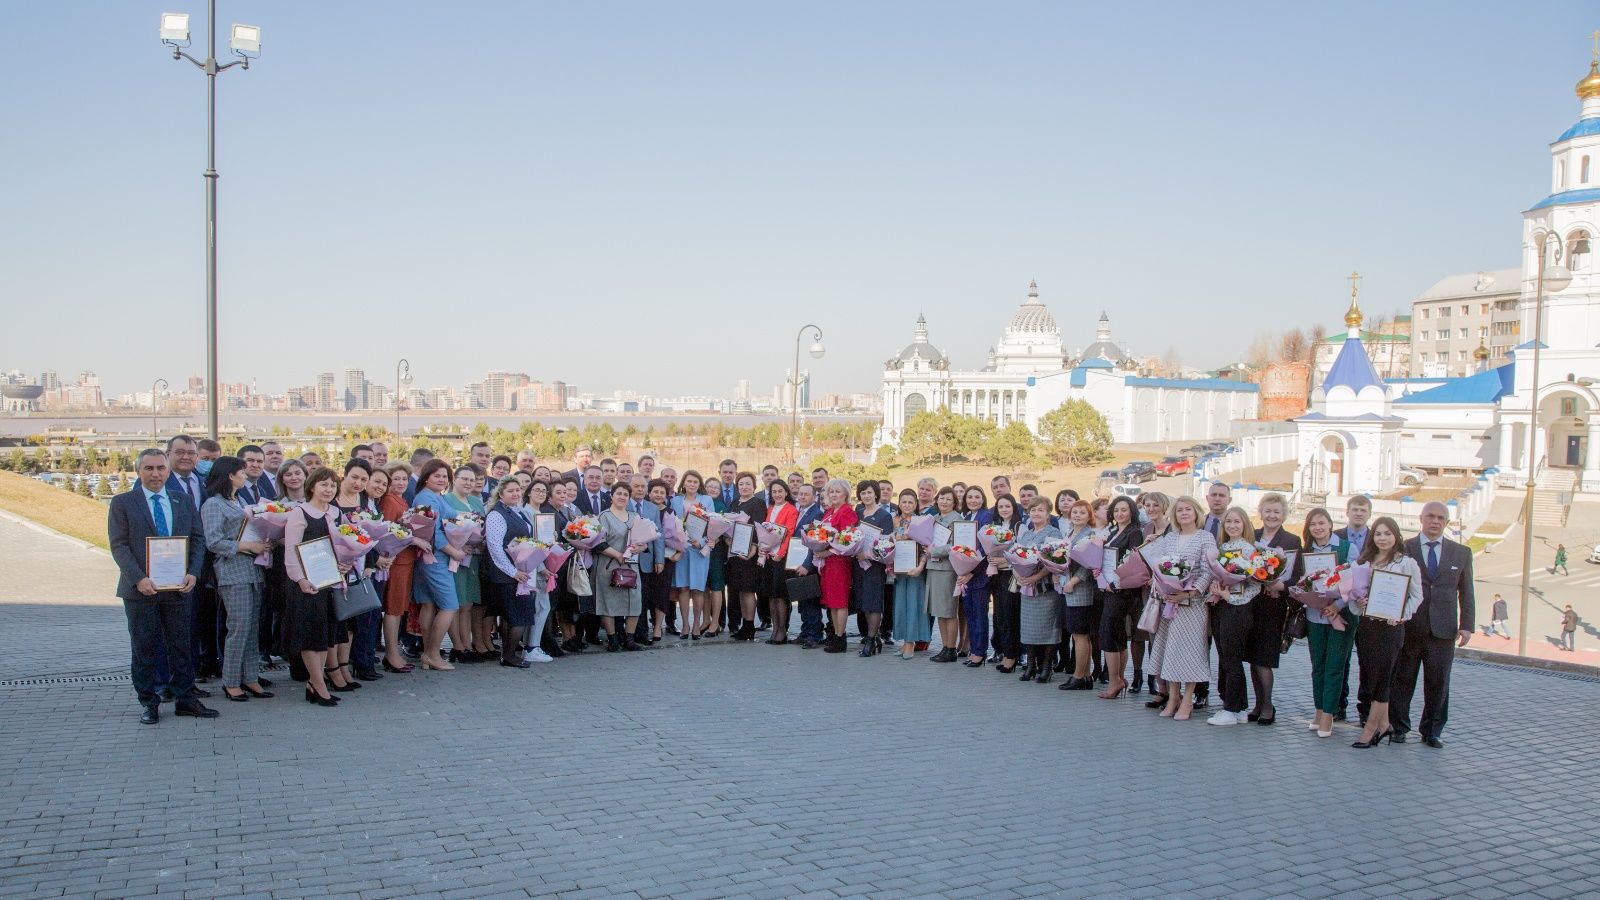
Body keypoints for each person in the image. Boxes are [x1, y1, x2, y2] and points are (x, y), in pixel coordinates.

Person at [108, 448, 215, 725]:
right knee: (144, 647)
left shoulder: (181, 500)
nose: (155, 474)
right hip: (141, 589)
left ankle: (186, 699)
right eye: (149, 468)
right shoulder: (123, 503)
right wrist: (138, 578)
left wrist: (192, 572)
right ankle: (149, 701)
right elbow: (119, 545)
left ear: (167, 471)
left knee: (181, 645)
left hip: (178, 587)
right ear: (138, 471)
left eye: (160, 468)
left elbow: (197, 539)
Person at [1390, 501, 1474, 749]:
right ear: (1421, 519)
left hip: (1443, 630)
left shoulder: (1461, 553)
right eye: (1430, 516)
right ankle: (1399, 727)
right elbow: (1394, 584)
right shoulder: (1404, 548)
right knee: (1403, 679)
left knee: (1438, 683)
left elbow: (1466, 592)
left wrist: (1467, 624)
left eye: (1440, 518)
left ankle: (1432, 730)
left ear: (1447, 522)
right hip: (1409, 627)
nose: (1435, 521)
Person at [199, 457, 273, 703]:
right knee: (239, 627)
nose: (245, 474)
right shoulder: (213, 504)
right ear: (230, 475)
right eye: (241, 471)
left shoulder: (240, 500)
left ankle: (250, 677)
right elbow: (214, 541)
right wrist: (247, 545)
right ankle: (230, 681)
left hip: (253, 570)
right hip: (232, 572)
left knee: (252, 628)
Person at [1349, 517, 1424, 749]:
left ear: (1396, 536)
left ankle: (1370, 729)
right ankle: (1385, 725)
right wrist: (1358, 603)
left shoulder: (1406, 563)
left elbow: (1417, 596)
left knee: (1383, 679)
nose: (1383, 538)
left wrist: (1403, 615)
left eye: (1387, 533)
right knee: (1370, 678)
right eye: (1378, 534)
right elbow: (1353, 595)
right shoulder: (1364, 561)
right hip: (1367, 627)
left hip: (1390, 628)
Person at [283, 467, 350, 707]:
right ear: (312, 486)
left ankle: (315, 683)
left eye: (332, 485)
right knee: (311, 635)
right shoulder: (299, 513)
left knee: (325, 635)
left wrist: (345, 565)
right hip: (307, 584)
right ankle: (318, 683)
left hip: (329, 582)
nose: (328, 489)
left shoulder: (336, 512)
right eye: (324, 484)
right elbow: (291, 551)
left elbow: (343, 545)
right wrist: (300, 579)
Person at [1295, 507, 1354, 737]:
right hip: (1314, 616)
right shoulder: (1307, 551)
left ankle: (1330, 714)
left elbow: (1356, 583)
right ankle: (1319, 710)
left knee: (1334, 666)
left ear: (1330, 524)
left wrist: (1336, 605)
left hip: (1340, 615)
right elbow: (1303, 582)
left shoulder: (1347, 547)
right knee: (1318, 666)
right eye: (1313, 524)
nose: (1318, 528)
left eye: (1322, 523)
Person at [1246, 492, 1301, 726]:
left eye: (1277, 511)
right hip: (1250, 603)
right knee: (1251, 656)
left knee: (1264, 657)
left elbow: (1298, 576)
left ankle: (1268, 705)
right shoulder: (1252, 536)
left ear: (1284, 515)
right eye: (1267, 511)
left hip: (1273, 605)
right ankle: (1258, 703)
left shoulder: (1292, 540)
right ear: (1260, 513)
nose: (1271, 515)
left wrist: (1281, 586)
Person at [1206, 506, 1260, 725]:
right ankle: (1239, 707)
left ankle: (1231, 709)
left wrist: (1231, 598)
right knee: (1226, 657)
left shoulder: (1250, 551)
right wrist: (1215, 589)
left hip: (1238, 609)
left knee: (1232, 659)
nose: (1232, 525)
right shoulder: (1223, 548)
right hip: (1222, 607)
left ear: (1245, 524)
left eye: (1237, 521)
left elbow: (1256, 585)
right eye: (1228, 522)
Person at [484, 478, 545, 667]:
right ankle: (509, 655)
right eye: (510, 491)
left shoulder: (517, 511)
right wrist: (513, 572)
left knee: (516, 616)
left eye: (518, 490)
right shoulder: (496, 514)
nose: (516, 494)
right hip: (507, 574)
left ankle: (508, 654)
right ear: (500, 494)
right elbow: (495, 547)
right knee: (517, 616)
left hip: (521, 571)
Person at [410, 459, 463, 671]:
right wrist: (454, 551)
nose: (441, 480)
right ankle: (432, 653)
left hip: (430, 558)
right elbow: (431, 532)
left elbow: (452, 516)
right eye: (437, 475)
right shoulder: (424, 498)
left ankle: (427, 653)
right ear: (426, 476)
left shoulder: (435, 497)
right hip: (435, 559)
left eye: (444, 476)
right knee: (450, 606)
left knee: (429, 604)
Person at [1094, 495, 1143, 700]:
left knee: (1108, 633)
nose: (1120, 514)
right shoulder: (1114, 530)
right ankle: (1119, 679)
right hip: (1108, 587)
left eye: (1124, 510)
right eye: (1116, 510)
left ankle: (1115, 680)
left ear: (1131, 511)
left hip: (1122, 590)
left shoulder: (1135, 533)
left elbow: (1134, 561)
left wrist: (1116, 581)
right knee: (1117, 634)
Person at [1014, 498, 1064, 684]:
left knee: (1048, 628)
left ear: (1048, 513)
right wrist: (1017, 573)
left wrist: (1036, 577)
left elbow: (1054, 559)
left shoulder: (1054, 533)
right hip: (1027, 586)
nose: (1036, 513)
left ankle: (1047, 667)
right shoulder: (1026, 534)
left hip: (1045, 587)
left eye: (1040, 510)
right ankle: (1031, 665)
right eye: (1033, 510)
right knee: (1029, 628)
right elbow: (1015, 555)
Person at [441, 465, 487, 662]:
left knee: (468, 603)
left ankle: (467, 644)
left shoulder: (476, 501)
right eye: (464, 479)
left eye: (472, 479)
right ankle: (457, 646)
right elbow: (443, 528)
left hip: (474, 557)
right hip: (455, 557)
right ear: (455, 480)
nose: (469, 483)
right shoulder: (446, 501)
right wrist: (458, 545)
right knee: (457, 603)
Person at [594, 483, 645, 651]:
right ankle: (612, 639)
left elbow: (643, 541)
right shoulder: (604, 516)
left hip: (631, 566)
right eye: (619, 494)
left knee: (634, 600)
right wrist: (617, 555)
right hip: (609, 565)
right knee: (608, 601)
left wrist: (641, 547)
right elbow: (598, 543)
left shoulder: (634, 516)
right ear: (612, 496)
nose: (622, 497)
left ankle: (629, 639)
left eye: (625, 494)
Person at [377, 462, 416, 673]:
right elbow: (388, 532)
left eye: (404, 479)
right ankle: (391, 654)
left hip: (405, 560)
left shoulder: (401, 500)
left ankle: (394, 652)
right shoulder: (390, 501)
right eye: (396, 479)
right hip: (397, 561)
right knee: (393, 608)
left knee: (399, 608)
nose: (401, 483)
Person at [814, 477, 860, 653]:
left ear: (846, 494)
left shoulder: (847, 512)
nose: (833, 495)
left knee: (839, 601)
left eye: (837, 491)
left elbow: (847, 539)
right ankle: (835, 633)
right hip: (827, 562)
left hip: (839, 562)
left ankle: (841, 637)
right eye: (831, 491)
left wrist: (827, 551)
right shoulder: (829, 512)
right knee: (831, 601)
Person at [1057, 500, 1099, 690]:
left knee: (1080, 635)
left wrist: (1074, 581)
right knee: (1077, 634)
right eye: (1075, 512)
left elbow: (1089, 564)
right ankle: (1086, 674)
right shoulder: (1070, 532)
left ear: (1089, 515)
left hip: (1080, 589)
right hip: (1068, 587)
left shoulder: (1090, 534)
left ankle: (1079, 675)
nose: (1077, 515)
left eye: (1082, 512)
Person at [851, 480, 894, 657]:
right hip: (858, 566)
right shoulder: (858, 513)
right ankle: (874, 637)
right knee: (863, 602)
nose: (866, 496)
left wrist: (867, 554)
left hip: (874, 566)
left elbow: (886, 544)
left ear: (876, 494)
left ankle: (870, 640)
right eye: (863, 493)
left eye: (869, 492)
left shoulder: (884, 515)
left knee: (873, 603)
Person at [670, 470, 713, 640]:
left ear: (699, 484)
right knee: (683, 587)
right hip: (682, 549)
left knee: (697, 588)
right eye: (689, 481)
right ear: (684, 483)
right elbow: (672, 525)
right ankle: (685, 624)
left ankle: (697, 623)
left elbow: (713, 524)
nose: (692, 484)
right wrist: (679, 543)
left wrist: (701, 542)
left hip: (699, 551)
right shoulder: (675, 501)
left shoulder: (706, 500)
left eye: (695, 481)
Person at [890, 489, 930, 659]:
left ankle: (911, 643)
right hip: (899, 571)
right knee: (901, 606)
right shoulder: (894, 521)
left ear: (916, 505)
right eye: (904, 502)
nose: (907, 505)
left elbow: (926, 547)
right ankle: (904, 641)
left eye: (910, 502)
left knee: (914, 606)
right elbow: (888, 545)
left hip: (915, 571)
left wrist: (921, 566)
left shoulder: (922, 522)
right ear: (899, 503)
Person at [924, 487, 963, 662]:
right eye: (941, 498)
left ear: (954, 502)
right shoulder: (934, 519)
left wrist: (935, 550)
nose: (944, 502)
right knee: (939, 610)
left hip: (947, 569)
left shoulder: (957, 520)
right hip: (934, 568)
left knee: (949, 611)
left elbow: (957, 545)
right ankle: (945, 647)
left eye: (948, 499)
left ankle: (951, 648)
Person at [956, 486, 992, 667]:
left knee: (979, 615)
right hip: (965, 574)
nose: (973, 500)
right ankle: (973, 649)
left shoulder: (986, 516)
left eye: (977, 497)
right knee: (970, 615)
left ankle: (980, 652)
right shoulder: (965, 518)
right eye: (969, 497)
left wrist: (971, 571)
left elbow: (986, 548)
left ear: (983, 498)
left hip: (979, 575)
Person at [986, 493, 1022, 672]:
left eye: (1007, 506)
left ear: (1014, 507)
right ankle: (1004, 652)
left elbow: (1024, 554)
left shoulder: (1019, 526)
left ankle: (1012, 656)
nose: (1004, 509)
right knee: (999, 616)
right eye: (1001, 507)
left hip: (1011, 575)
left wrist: (1005, 562)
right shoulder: (995, 527)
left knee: (1010, 616)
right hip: (996, 575)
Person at [761, 479, 799, 644]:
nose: (777, 494)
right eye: (774, 492)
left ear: (786, 492)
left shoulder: (790, 510)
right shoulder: (770, 508)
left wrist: (781, 553)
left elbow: (789, 533)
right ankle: (775, 629)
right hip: (769, 556)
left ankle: (782, 631)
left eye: (780, 491)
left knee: (780, 595)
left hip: (780, 558)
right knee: (771, 594)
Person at [791, 482, 827, 648]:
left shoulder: (817, 514)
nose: (802, 496)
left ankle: (814, 635)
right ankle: (805, 632)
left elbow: (815, 543)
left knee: (811, 601)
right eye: (800, 494)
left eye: (806, 494)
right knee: (803, 601)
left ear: (814, 497)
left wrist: (807, 564)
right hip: (796, 561)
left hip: (809, 564)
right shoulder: (799, 512)